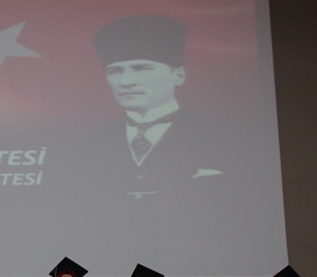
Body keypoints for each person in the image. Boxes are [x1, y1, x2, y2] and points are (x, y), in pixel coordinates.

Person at [92, 14, 234, 202]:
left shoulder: (226, 138)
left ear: (179, 76)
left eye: (142, 68)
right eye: (115, 71)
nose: (126, 82)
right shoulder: (89, 146)